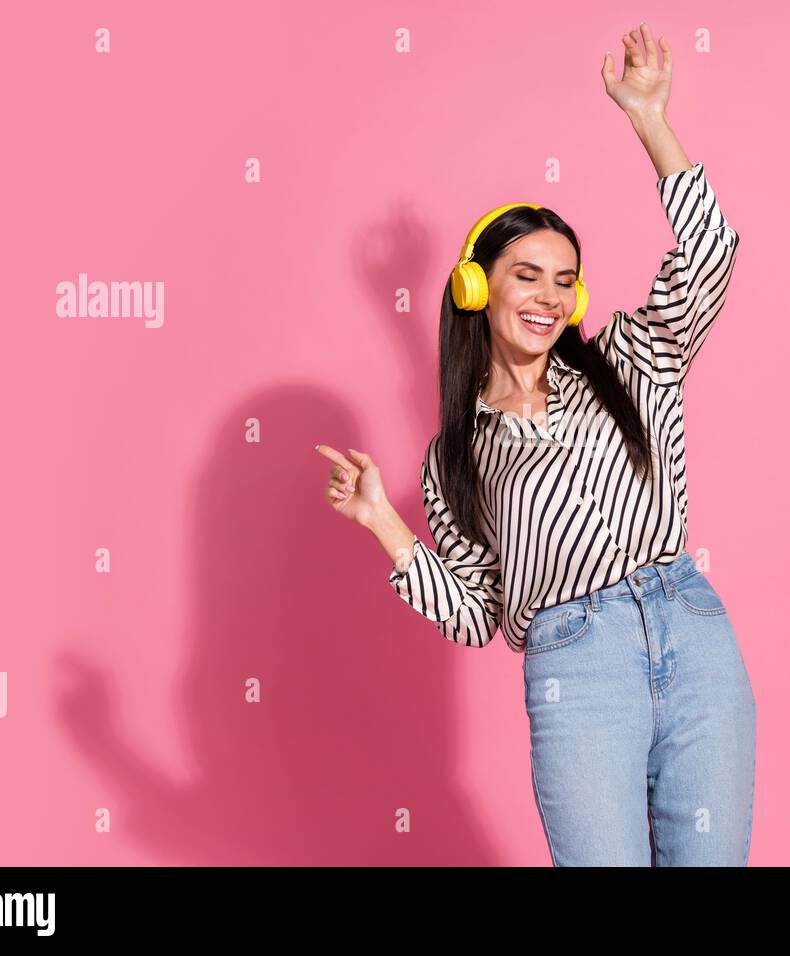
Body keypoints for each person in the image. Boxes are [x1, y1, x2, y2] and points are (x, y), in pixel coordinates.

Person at [316, 22, 755, 866]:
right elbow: (477, 612)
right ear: (478, 287)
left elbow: (708, 260)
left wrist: (650, 122)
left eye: (564, 279)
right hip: (575, 667)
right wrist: (384, 523)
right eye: (527, 274)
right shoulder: (453, 460)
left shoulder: (631, 362)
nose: (550, 296)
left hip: (692, 632)